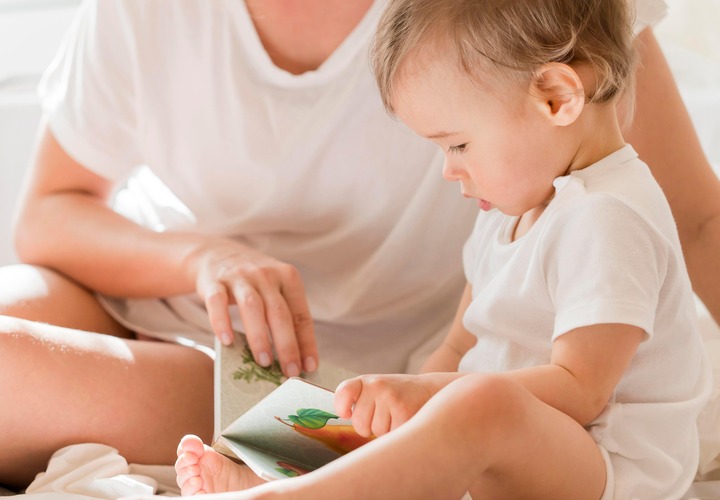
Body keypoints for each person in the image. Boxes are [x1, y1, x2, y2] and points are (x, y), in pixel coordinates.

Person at [0, 0, 717, 491]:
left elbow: (692, 229)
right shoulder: (501, 218)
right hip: (154, 290)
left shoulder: (530, 38)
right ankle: (273, 466)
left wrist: (421, 395)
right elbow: (50, 215)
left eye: (456, 145)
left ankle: (280, 476)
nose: (448, 169)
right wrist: (202, 258)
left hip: (310, 366)